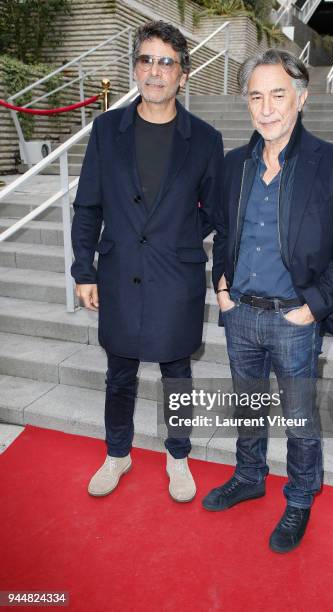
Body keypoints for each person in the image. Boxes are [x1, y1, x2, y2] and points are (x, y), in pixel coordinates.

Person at [205, 49, 333, 553]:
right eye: (256, 95)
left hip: (294, 319)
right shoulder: (234, 165)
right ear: (246, 103)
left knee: (299, 417)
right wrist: (222, 288)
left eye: (278, 94)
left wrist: (313, 307)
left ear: (301, 98)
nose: (267, 107)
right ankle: (250, 475)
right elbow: (225, 232)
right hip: (241, 315)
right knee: (248, 409)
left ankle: (299, 497)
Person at [71, 21, 223, 501]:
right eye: (146, 60)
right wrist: (83, 268)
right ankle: (118, 453)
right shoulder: (105, 130)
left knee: (177, 373)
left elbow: (215, 212)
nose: (155, 71)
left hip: (175, 276)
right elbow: (88, 205)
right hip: (117, 274)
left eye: (166, 62)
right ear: (135, 67)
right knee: (120, 371)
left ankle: (178, 457)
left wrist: (177, 240)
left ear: (183, 74)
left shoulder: (204, 138)